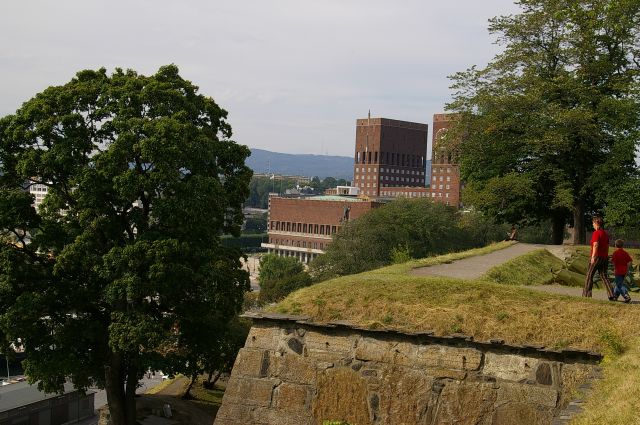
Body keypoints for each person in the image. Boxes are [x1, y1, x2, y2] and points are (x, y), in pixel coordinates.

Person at [582, 216, 614, 299]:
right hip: (604, 258)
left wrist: (593, 257)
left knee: (589, 275)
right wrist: (606, 256)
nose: (592, 224)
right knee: (604, 276)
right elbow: (607, 246)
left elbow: (595, 245)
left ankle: (586, 295)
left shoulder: (596, 233)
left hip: (596, 257)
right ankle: (611, 295)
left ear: (596, 223)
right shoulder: (605, 234)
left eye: (593, 223)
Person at [611, 239, 633, 303]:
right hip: (624, 271)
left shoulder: (615, 253)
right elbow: (630, 261)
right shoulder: (625, 253)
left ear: (615, 245)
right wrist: (627, 268)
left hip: (618, 271)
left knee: (619, 285)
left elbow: (613, 262)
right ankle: (615, 296)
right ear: (622, 245)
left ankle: (626, 295)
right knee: (618, 283)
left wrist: (614, 269)